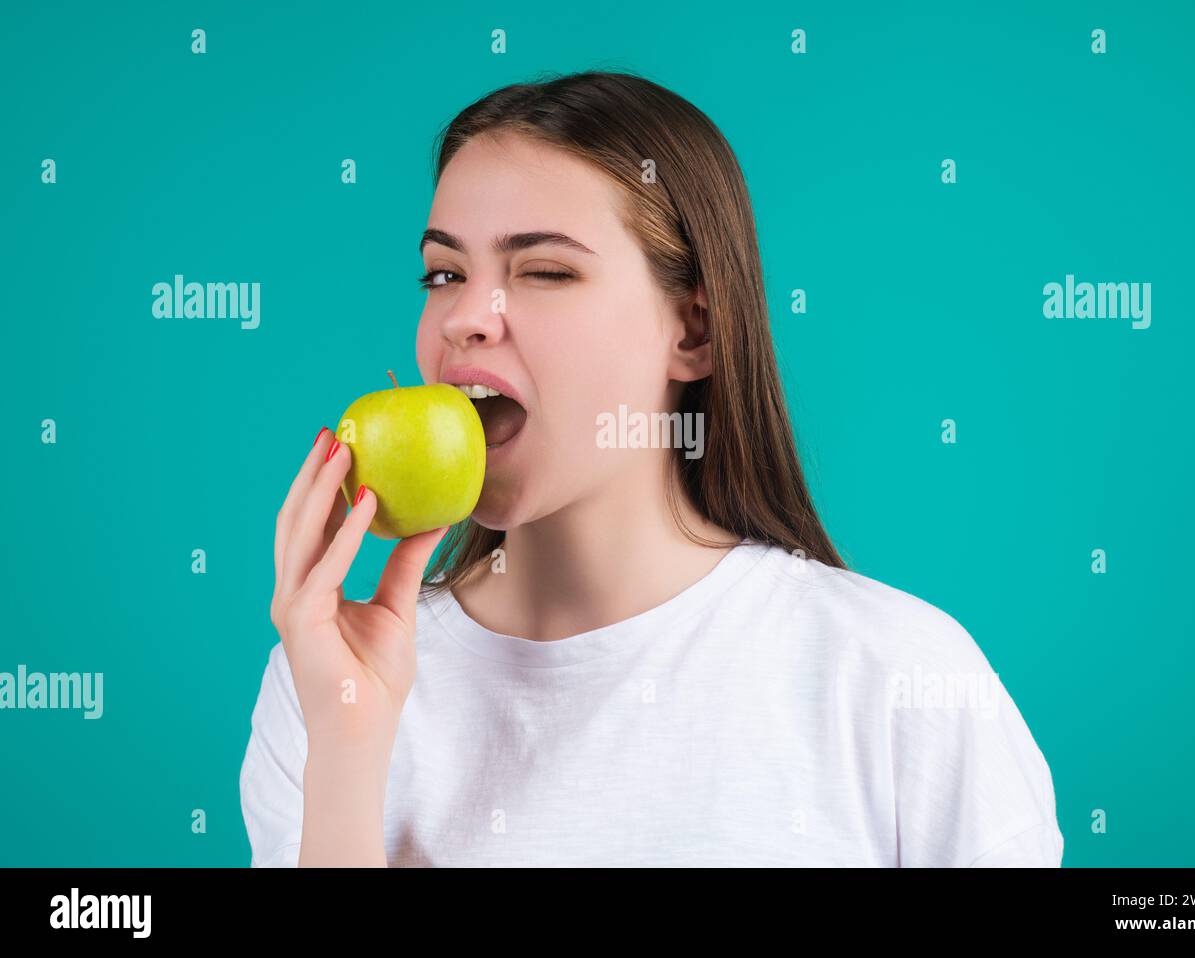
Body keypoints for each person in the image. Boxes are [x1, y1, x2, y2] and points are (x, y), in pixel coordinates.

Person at [240, 70, 1064, 867]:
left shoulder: (897, 678)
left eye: (545, 271)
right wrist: (348, 746)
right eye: (446, 274)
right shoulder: (327, 680)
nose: (464, 319)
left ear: (694, 332)